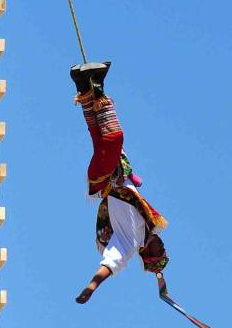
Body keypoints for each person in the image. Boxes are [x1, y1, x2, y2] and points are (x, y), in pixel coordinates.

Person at [71, 62, 170, 305]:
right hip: (117, 172)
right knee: (100, 136)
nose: (162, 246)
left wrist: (91, 287)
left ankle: (98, 87)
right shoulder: (149, 224)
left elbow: (110, 263)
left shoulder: (129, 243)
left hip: (105, 179)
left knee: (114, 137)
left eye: (158, 252)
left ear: (146, 254)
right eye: (164, 250)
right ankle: (83, 84)